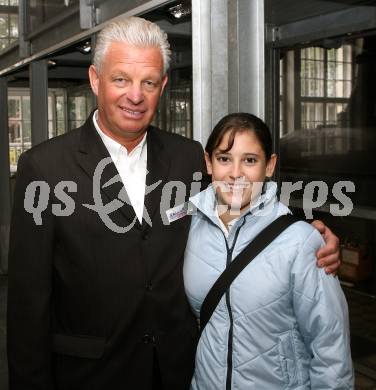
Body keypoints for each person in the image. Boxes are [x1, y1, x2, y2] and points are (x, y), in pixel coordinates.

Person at [7, 16, 340, 390]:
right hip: (91, 375)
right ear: (95, 79)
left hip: (178, 371)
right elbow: (27, 306)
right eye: (121, 79)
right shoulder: (45, 168)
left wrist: (306, 233)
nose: (135, 95)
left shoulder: (185, 158)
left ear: (162, 86)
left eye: (148, 82)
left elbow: (238, 209)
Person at [183, 113, 354, 389]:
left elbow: (330, 347)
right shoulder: (188, 228)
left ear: (270, 165)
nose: (235, 172)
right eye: (224, 158)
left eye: (249, 160)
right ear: (208, 162)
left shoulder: (299, 241)